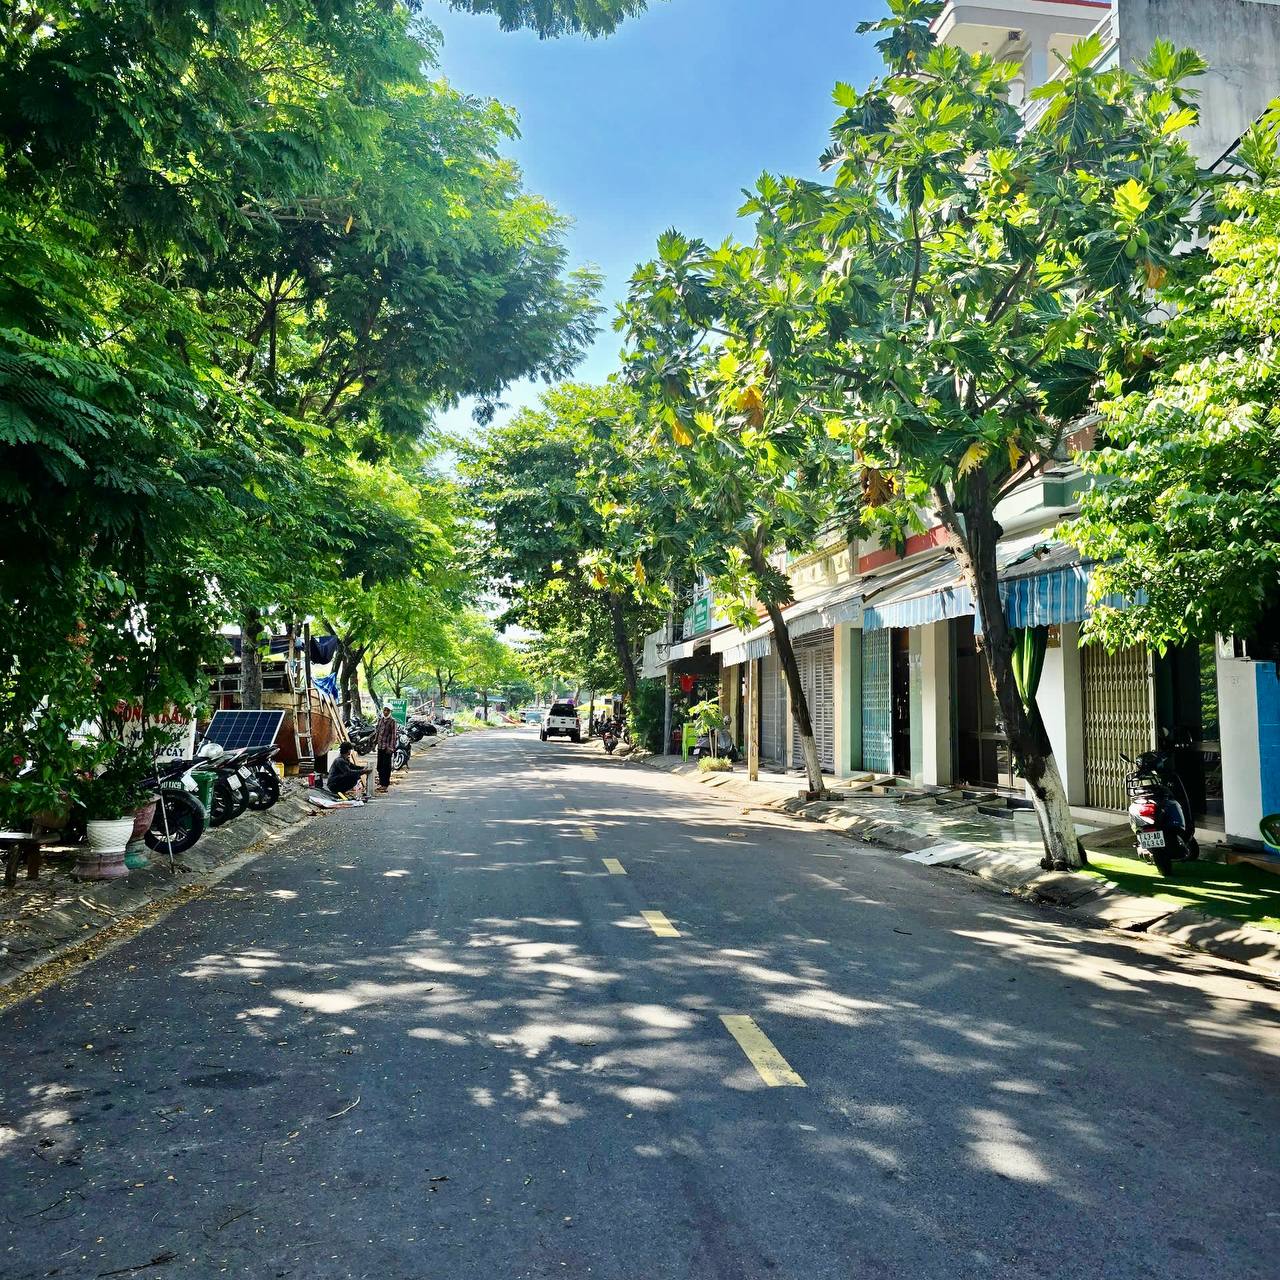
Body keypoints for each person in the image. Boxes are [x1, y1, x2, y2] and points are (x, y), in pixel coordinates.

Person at [374, 704, 398, 792]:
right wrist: (375, 742)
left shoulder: (392, 721)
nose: (386, 712)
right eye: (385, 710)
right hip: (380, 746)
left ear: (390, 712)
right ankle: (381, 783)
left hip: (387, 748)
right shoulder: (380, 720)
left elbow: (394, 735)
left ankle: (385, 784)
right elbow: (377, 732)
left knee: (386, 767)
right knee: (379, 766)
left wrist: (391, 748)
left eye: (388, 710)